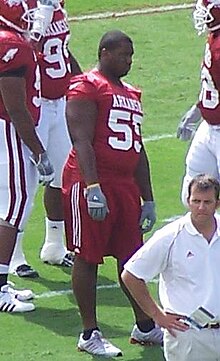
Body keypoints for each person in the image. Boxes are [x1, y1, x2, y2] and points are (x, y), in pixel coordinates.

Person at [62, 30, 162, 357]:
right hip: (91, 180)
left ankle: (145, 326)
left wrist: (147, 197)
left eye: (131, 56)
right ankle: (89, 333)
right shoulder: (86, 85)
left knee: (132, 258)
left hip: (124, 185)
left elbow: (138, 147)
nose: (128, 62)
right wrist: (92, 188)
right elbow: (81, 141)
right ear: (104, 52)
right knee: (87, 256)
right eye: (122, 55)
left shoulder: (131, 93)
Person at [9, 0, 82, 278]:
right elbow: (22, 50)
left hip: (60, 101)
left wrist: (82, 80)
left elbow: (61, 50)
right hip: (33, 103)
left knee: (63, 176)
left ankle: (54, 244)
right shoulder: (19, 8)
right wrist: (41, 20)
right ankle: (13, 253)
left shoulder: (56, 5)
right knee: (23, 184)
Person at [122, 174, 220, 361]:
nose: (201, 207)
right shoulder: (170, 236)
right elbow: (131, 275)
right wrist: (157, 315)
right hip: (188, 335)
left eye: (207, 202)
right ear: (188, 201)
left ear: (217, 204)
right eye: (196, 201)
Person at [0, 0, 54, 312]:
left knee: (7, 208)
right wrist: (39, 150)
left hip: (6, 129)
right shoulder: (11, 46)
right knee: (15, 208)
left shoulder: (12, 40)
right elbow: (15, 108)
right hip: (9, 131)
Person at [177, 0, 220, 206]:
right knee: (191, 194)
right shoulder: (215, 35)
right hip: (210, 127)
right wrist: (199, 109)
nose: (201, 11)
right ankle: (204, 238)